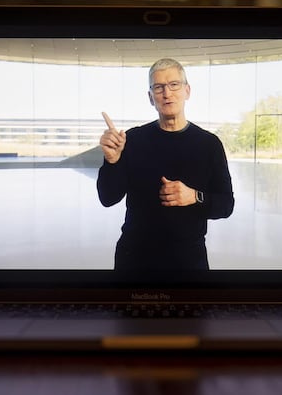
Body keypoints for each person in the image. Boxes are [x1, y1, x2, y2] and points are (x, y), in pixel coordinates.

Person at [97, 58, 235, 271]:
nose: (167, 93)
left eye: (174, 85)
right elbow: (107, 198)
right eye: (158, 87)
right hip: (135, 259)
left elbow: (226, 205)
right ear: (151, 97)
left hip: (188, 260)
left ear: (187, 91)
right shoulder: (132, 140)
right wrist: (112, 161)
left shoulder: (209, 144)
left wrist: (193, 197)